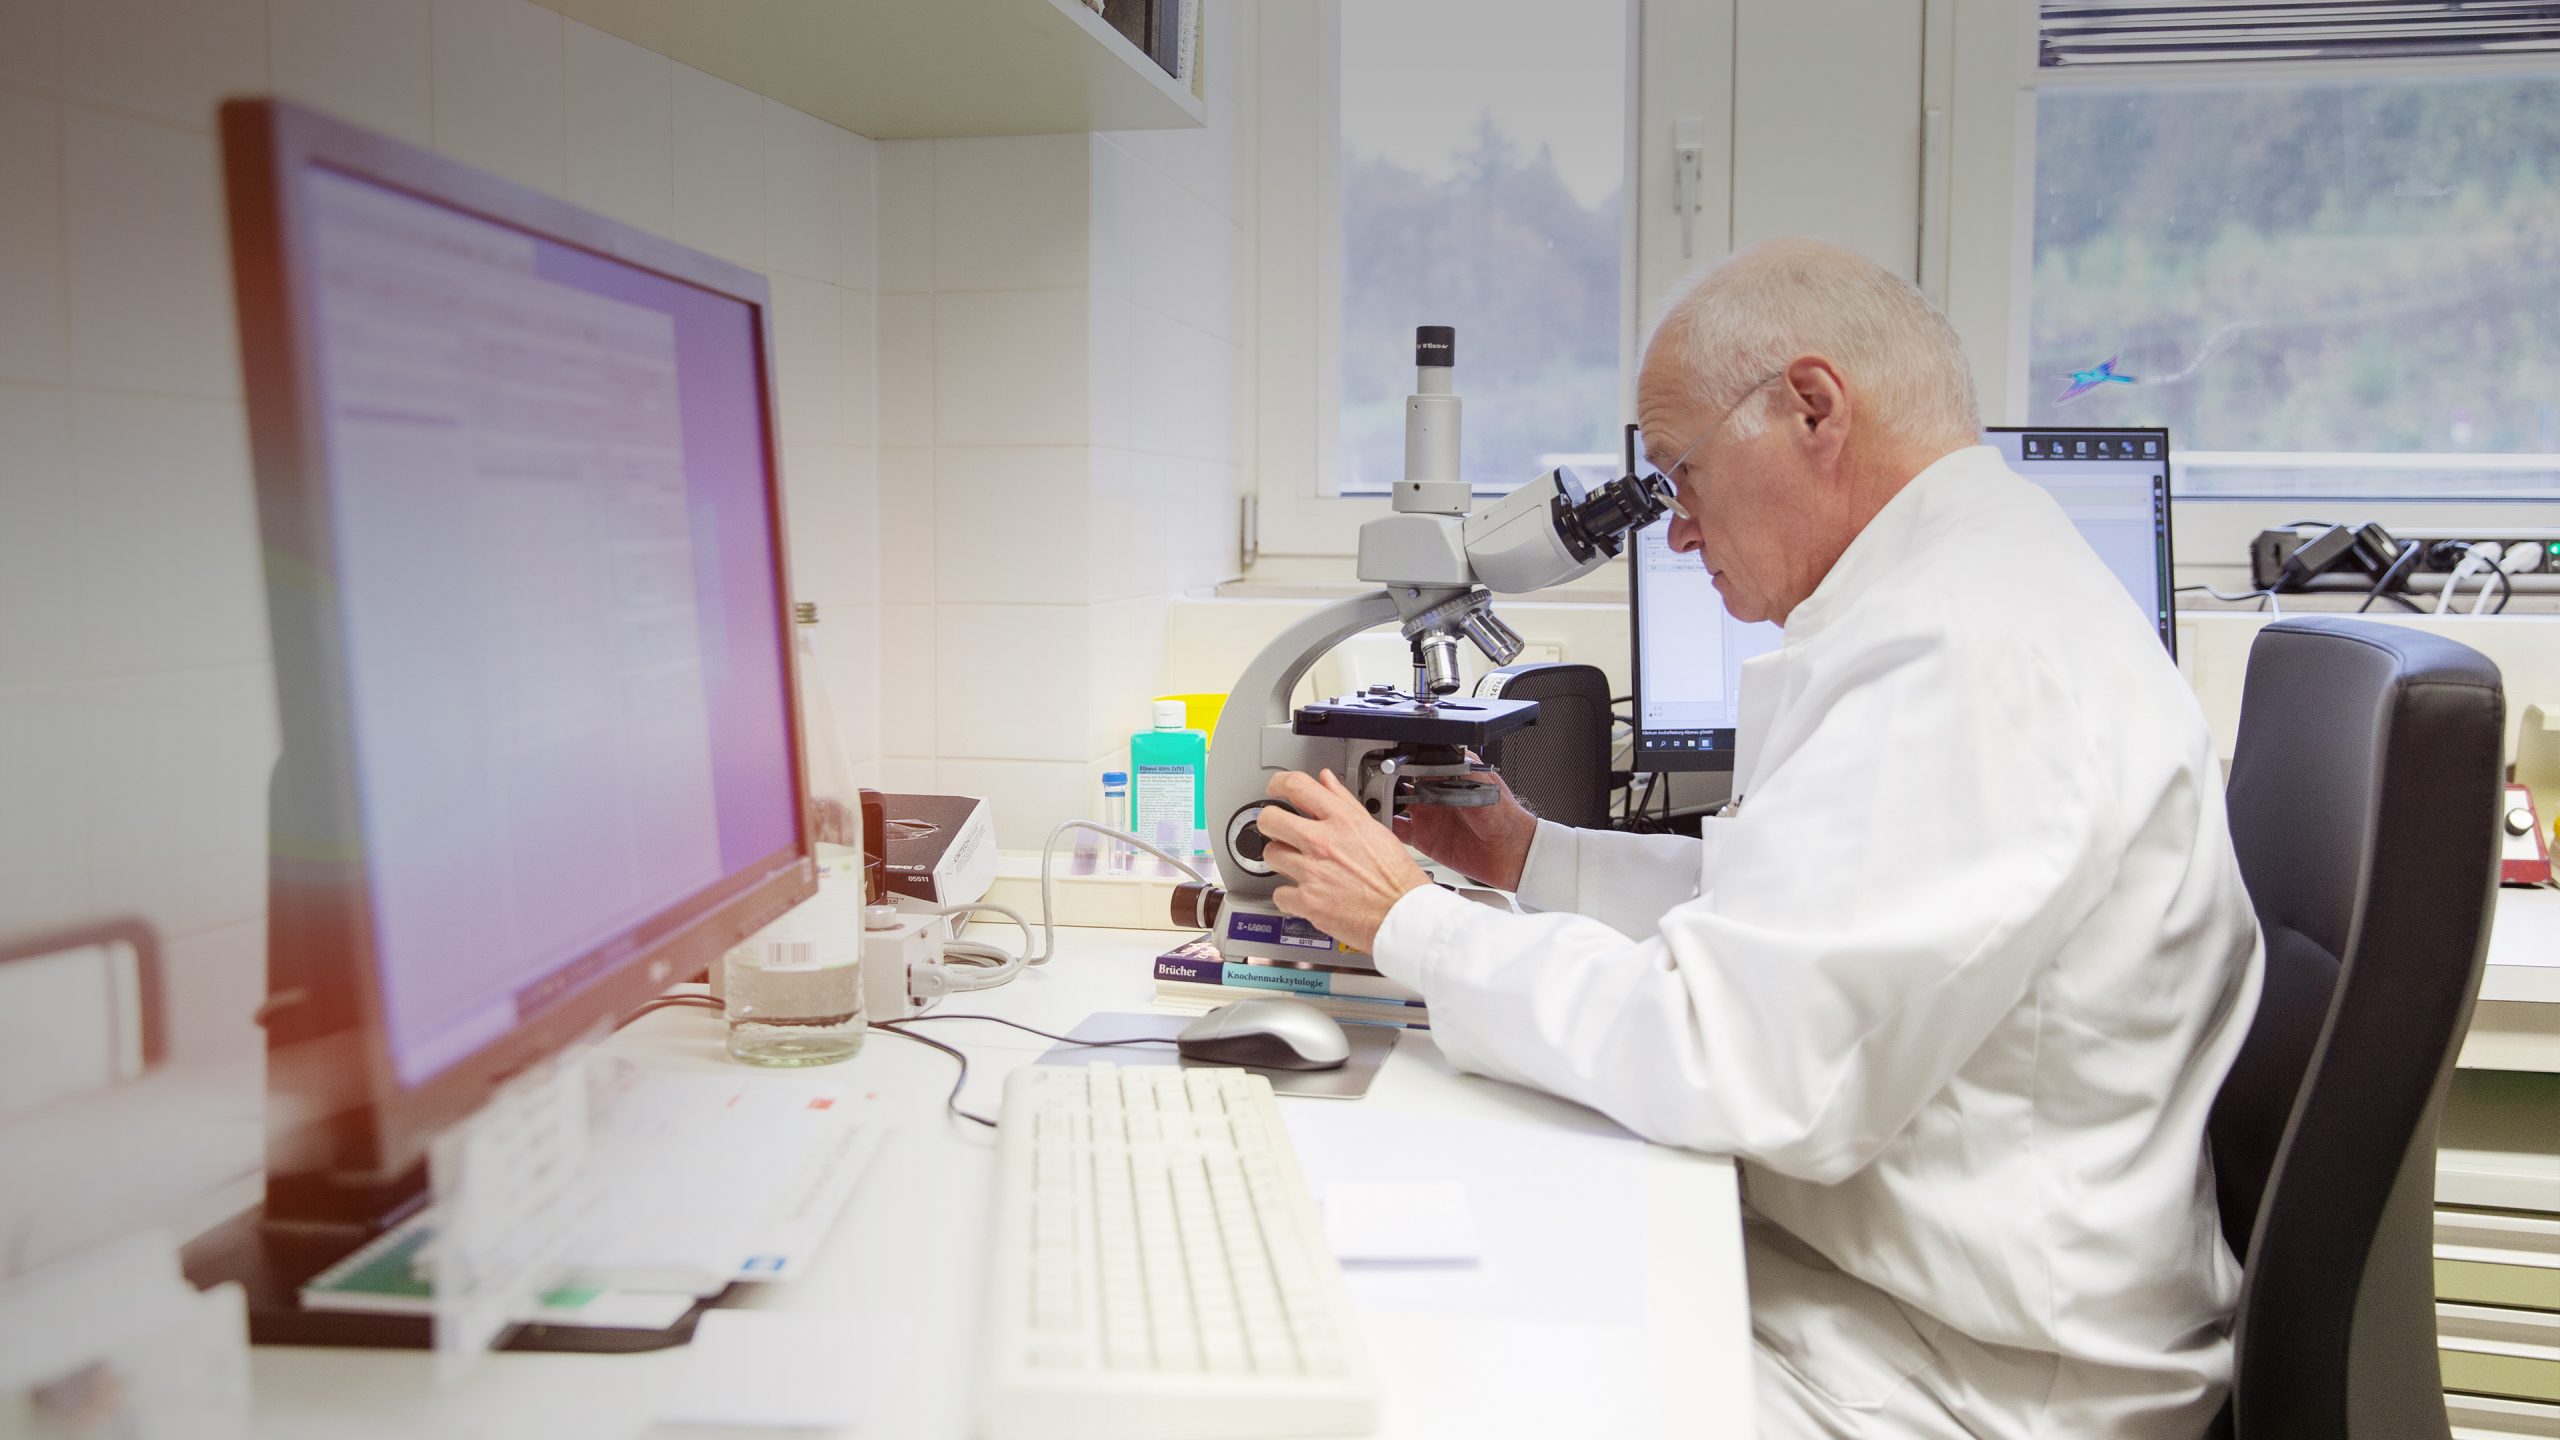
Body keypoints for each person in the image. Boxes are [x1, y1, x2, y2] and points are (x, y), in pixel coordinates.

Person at [1254, 238, 2264, 1439]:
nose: (1677, 532)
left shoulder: (1967, 653)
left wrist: (1410, 923)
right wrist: (1532, 858)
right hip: (1898, 1298)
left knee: (1382, 1378)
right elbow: (1786, 912)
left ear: (1812, 409)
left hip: (1966, 1383)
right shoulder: (1962, 591)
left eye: (1680, 474)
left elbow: (1738, 1061)